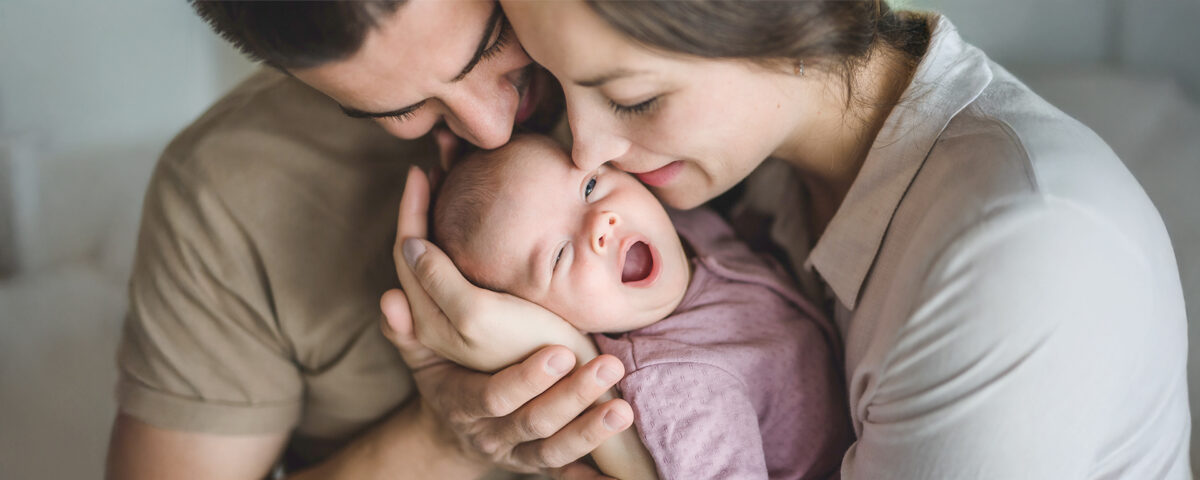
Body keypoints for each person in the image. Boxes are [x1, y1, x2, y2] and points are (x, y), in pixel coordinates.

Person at [387, 1, 1192, 478]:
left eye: (632, 98)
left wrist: (600, 421)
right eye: (560, 89)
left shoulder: (1020, 255)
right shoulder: (747, 173)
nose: (585, 151)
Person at [106, 1, 640, 479]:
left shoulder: (682, 47)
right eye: (401, 111)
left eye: (496, 40)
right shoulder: (222, 194)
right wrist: (446, 440)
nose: (490, 129)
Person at [430, 134, 853, 479]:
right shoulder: (674, 386)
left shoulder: (680, 223)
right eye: (559, 256)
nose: (601, 223)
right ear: (549, 319)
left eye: (590, 186)